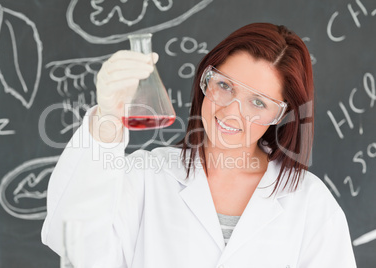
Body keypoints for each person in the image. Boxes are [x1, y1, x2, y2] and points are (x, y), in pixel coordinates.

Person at [41, 23, 357, 267]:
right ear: (206, 81)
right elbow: (73, 244)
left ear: (282, 115)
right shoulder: (149, 177)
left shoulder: (310, 205)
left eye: (258, 102)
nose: (232, 111)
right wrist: (107, 121)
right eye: (224, 85)